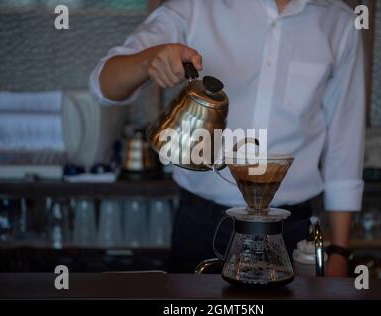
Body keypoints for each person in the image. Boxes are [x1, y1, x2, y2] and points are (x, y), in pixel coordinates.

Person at [89, 0, 365, 277]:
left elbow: (345, 142)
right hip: (204, 225)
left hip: (292, 231)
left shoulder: (339, 22)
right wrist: (149, 59)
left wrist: (340, 251)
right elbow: (103, 84)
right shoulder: (195, 6)